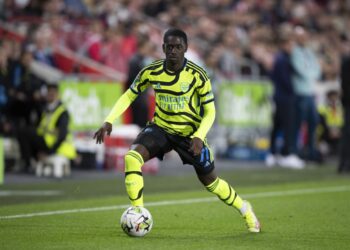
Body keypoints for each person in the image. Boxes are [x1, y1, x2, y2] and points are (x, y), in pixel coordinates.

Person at [94, 28, 260, 233]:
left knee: (211, 182)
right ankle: (138, 212)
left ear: (186, 49)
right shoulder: (151, 71)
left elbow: (210, 111)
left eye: (178, 47)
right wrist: (109, 120)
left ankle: (245, 209)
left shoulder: (197, 75)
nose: (173, 51)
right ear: (163, 48)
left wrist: (199, 136)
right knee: (132, 157)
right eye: (169, 47)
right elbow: (129, 94)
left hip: (190, 135)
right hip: (160, 128)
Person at [266, 30, 304, 169]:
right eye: (290, 44)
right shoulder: (283, 59)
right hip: (285, 97)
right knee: (288, 126)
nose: (292, 47)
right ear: (284, 44)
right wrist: (295, 90)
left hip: (280, 96)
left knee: (277, 125)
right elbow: (285, 80)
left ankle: (273, 153)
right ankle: (287, 154)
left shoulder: (280, 58)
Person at [17, 83, 77, 173]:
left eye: (52, 93)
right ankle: (30, 161)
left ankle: (29, 163)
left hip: (57, 146)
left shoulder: (62, 112)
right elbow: (40, 126)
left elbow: (62, 135)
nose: (50, 95)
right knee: (25, 132)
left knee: (25, 132)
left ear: (57, 94)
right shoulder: (46, 108)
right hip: (46, 141)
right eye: (49, 93)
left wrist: (50, 152)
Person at [291, 26, 321, 163]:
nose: (303, 39)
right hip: (301, 92)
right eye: (300, 36)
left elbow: (317, 69)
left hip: (310, 92)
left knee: (313, 123)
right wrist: (311, 73)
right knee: (298, 123)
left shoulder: (308, 52)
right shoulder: (295, 52)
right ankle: (296, 152)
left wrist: (310, 73)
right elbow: (300, 70)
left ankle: (310, 151)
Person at [125, 39, 155, 128]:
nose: (148, 50)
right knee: (138, 122)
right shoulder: (135, 60)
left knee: (143, 121)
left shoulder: (142, 60)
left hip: (142, 96)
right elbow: (132, 78)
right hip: (137, 97)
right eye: (147, 48)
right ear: (141, 48)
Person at [338, 50, 350, 173]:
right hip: (348, 103)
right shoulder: (347, 63)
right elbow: (345, 86)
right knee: (347, 134)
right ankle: (345, 163)